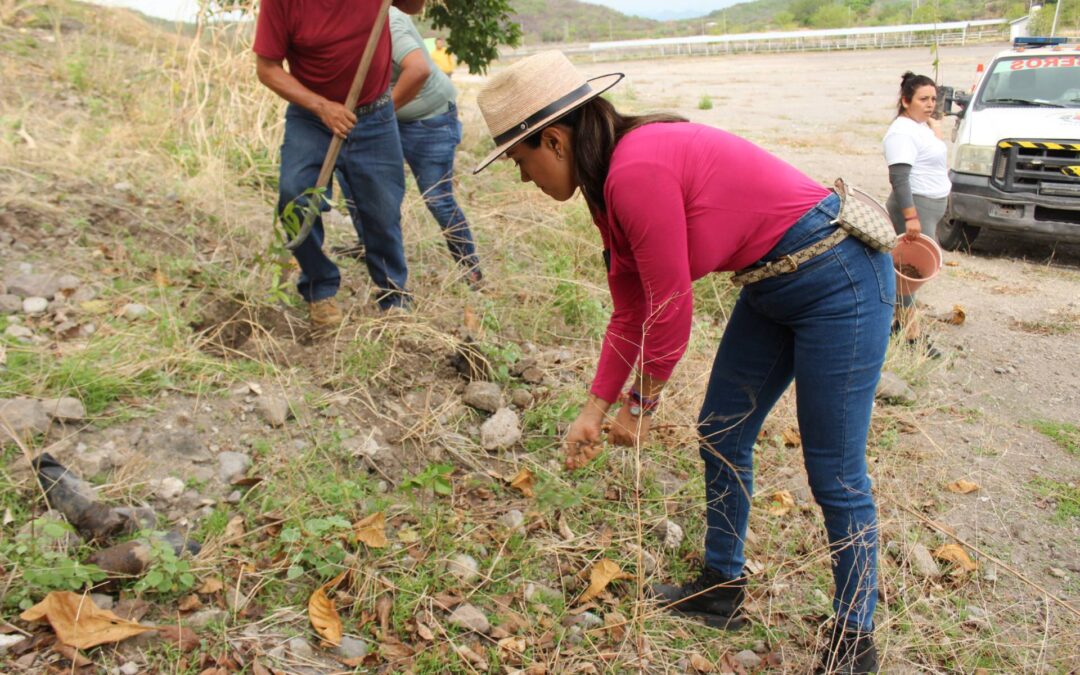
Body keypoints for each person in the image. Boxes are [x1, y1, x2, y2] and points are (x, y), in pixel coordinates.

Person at [473, 52, 892, 674]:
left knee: (833, 468)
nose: (524, 177)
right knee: (722, 433)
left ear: (553, 139)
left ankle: (855, 635)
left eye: (520, 160)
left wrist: (640, 406)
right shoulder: (607, 185)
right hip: (772, 283)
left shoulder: (635, 171)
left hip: (839, 279)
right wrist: (595, 409)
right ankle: (722, 586)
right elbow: (630, 307)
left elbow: (670, 307)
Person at [253, 0, 426, 329]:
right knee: (294, 194)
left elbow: (413, 6)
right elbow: (268, 68)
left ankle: (394, 298)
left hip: (374, 114)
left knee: (383, 210)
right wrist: (321, 107)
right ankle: (319, 289)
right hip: (311, 117)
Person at [335, 8, 482, 287]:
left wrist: (378, 115)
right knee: (350, 175)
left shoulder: (387, 19)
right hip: (388, 119)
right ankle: (366, 245)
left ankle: (470, 268)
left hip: (430, 122)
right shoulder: (339, 25)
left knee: (437, 198)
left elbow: (419, 70)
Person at [883, 72, 949, 358]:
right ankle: (911, 335)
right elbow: (899, 179)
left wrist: (934, 129)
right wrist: (911, 217)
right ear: (905, 100)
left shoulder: (920, 126)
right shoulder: (901, 132)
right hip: (915, 207)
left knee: (914, 272)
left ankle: (899, 325)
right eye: (923, 99)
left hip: (930, 206)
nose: (930, 104)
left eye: (933, 98)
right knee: (909, 272)